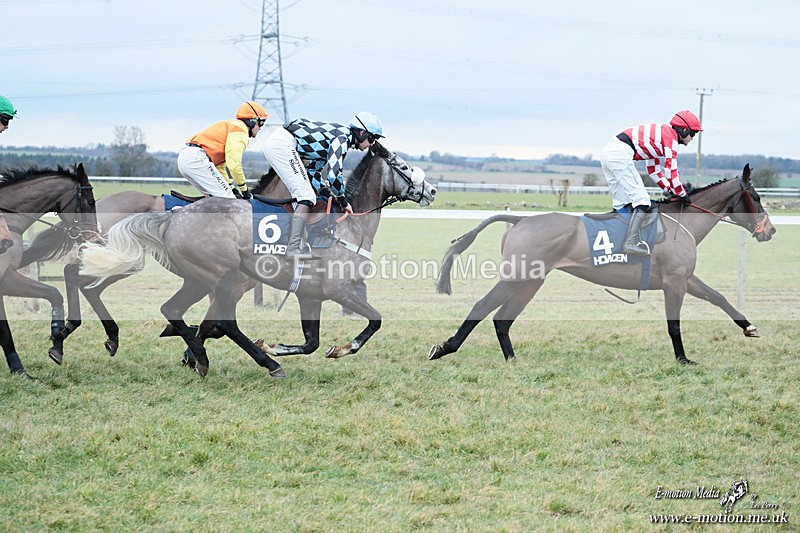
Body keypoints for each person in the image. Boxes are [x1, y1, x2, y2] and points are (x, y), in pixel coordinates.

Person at [262, 111, 383, 259]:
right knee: (306, 196)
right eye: (372, 138)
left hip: (281, 143)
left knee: (308, 195)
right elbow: (333, 174)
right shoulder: (342, 138)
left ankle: (297, 241)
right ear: (362, 132)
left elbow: (313, 171)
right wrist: (343, 201)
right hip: (283, 145)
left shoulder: (336, 138)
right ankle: (293, 248)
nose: (372, 144)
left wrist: (325, 191)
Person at [599, 109, 702, 255]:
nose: (692, 138)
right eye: (693, 134)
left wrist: (668, 189)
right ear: (684, 130)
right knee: (642, 201)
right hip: (620, 154)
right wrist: (681, 193)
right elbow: (670, 170)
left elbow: (653, 170)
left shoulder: (661, 136)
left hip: (609, 153)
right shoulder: (670, 138)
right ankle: (630, 243)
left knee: (621, 203)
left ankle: (617, 237)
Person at [177, 100, 268, 199]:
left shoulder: (234, 126)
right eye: (261, 123)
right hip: (197, 159)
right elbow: (234, 166)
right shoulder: (241, 132)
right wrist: (244, 190)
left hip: (187, 158)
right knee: (230, 202)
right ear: (252, 121)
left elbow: (220, 167)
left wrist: (231, 187)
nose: (260, 128)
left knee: (214, 199)